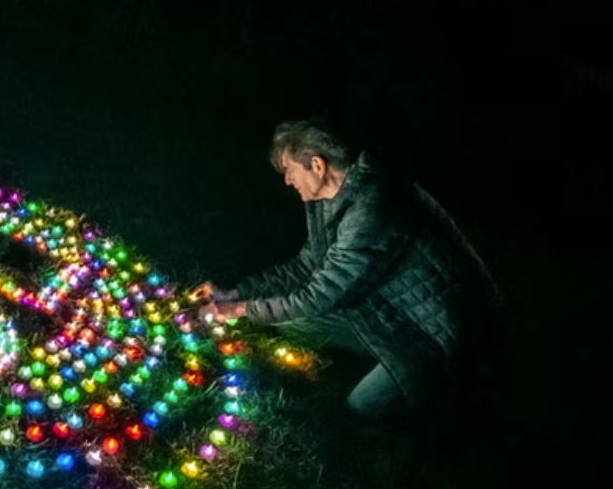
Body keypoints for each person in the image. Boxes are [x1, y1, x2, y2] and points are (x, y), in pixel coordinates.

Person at [195, 119, 503, 421]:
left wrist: (238, 309)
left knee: (363, 405)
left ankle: (455, 391)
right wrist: (235, 294)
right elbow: (306, 267)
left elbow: (320, 296)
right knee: (291, 323)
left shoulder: (373, 209)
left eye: (288, 169)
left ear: (317, 165)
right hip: (385, 307)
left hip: (437, 332)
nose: (287, 180)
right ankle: (379, 352)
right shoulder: (325, 199)